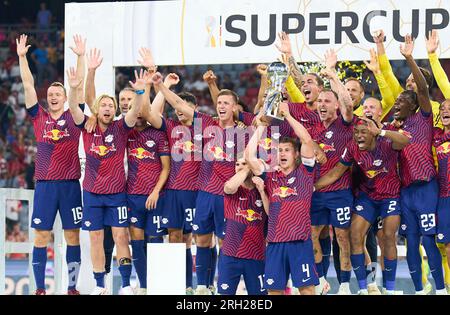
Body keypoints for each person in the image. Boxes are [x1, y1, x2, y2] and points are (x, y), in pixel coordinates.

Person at [151, 71, 252, 294]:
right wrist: (160, 86)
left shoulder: (244, 134)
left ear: (235, 107)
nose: (221, 106)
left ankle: (225, 286)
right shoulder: (205, 123)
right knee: (202, 240)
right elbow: (178, 103)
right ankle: (202, 287)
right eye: (219, 102)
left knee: (226, 244)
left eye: (226, 103)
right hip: (205, 194)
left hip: (229, 197)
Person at [67, 67, 145, 295]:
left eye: (111, 105)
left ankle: (126, 284)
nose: (108, 108)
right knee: (96, 238)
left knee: (121, 236)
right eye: (104, 105)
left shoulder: (121, 128)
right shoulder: (87, 126)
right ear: (97, 109)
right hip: (91, 193)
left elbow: (134, 112)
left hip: (116, 194)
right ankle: (100, 285)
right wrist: (73, 89)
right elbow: (73, 108)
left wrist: (140, 92)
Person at [17, 34, 82, 295]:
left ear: (65, 98)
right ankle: (41, 289)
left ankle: (72, 288)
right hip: (44, 186)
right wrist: (22, 58)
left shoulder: (74, 117)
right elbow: (28, 85)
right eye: (51, 94)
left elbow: (79, 89)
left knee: (72, 238)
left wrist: (79, 57)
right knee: (41, 238)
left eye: (59, 94)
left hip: (69, 186)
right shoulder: (39, 116)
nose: (54, 97)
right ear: (47, 97)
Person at [315, 117, 409, 294]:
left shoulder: (387, 142)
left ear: (373, 133)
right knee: (355, 235)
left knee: (388, 236)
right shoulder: (352, 147)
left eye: (363, 132)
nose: (358, 136)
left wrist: (380, 131)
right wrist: (312, 186)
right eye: (356, 132)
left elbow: (405, 141)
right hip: (367, 197)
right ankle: (363, 288)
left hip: (390, 197)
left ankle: (390, 289)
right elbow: (336, 171)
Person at [387, 34, 446, 295]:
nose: (396, 104)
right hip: (406, 191)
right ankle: (420, 290)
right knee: (411, 244)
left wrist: (409, 57)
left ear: (413, 106)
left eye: (401, 101)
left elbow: (422, 89)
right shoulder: (395, 127)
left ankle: (442, 289)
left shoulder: (424, 117)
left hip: (427, 189)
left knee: (429, 241)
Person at [246, 102, 318, 295]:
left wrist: (288, 116)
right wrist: (261, 126)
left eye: (287, 150)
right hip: (275, 242)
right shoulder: (271, 176)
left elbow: (307, 141)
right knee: (274, 291)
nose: (282, 153)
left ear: (296, 155)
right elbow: (249, 156)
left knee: (307, 290)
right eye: (280, 150)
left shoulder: (305, 172)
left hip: (299, 242)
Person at [125, 72, 170, 295]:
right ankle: (143, 286)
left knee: (155, 241)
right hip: (132, 196)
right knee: (137, 242)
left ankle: (158, 287)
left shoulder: (158, 134)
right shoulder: (127, 133)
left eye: (142, 109)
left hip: (155, 197)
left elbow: (166, 169)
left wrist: (154, 192)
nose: (140, 113)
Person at [218, 157, 268, 295]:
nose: (239, 167)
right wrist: (248, 167)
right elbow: (229, 187)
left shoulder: (263, 188)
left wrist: (263, 191)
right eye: (237, 164)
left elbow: (271, 213)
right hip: (230, 254)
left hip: (256, 255)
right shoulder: (233, 188)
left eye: (244, 163)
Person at [433, 99, 450, 291]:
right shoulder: (436, 136)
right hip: (444, 197)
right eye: (443, 109)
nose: (446, 111)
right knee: (447, 245)